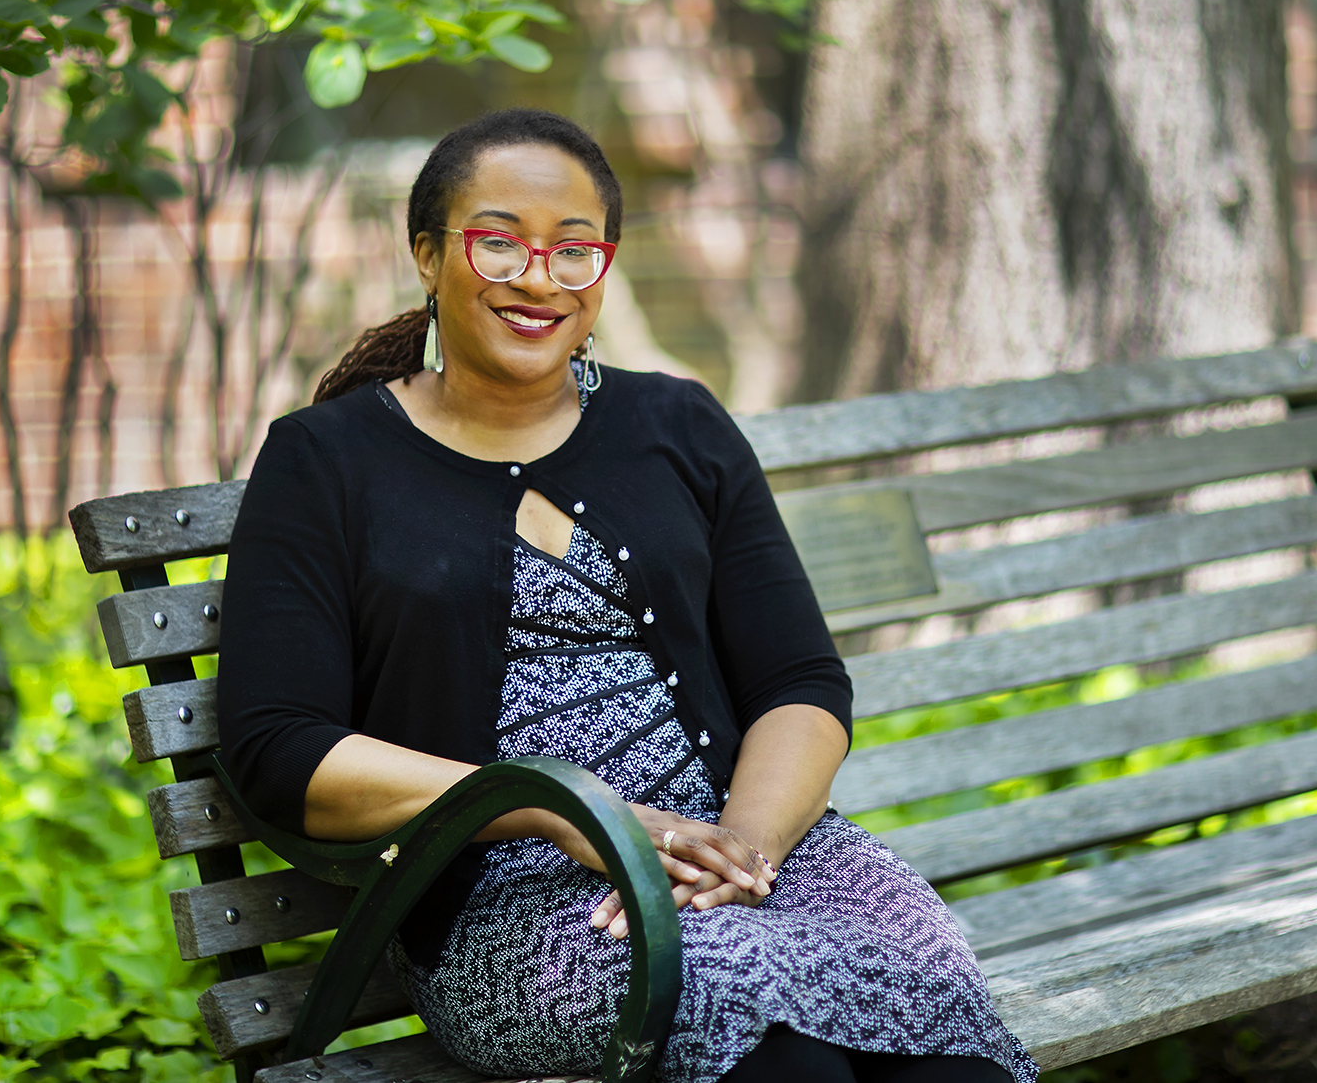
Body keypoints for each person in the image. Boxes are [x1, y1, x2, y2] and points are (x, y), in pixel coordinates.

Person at [217, 109, 1038, 1083]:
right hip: (513, 906)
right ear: (427, 254)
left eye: (573, 251)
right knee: (789, 1062)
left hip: (751, 849)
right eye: (497, 242)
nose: (536, 277)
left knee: (938, 1037)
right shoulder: (326, 462)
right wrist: (566, 812)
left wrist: (739, 851)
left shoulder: (675, 423)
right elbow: (280, 749)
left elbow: (800, 683)